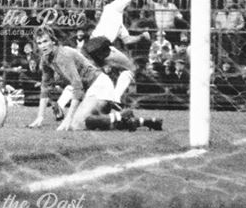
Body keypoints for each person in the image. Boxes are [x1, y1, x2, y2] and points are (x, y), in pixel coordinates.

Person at [28, 27, 161, 131]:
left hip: (99, 86)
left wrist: (68, 119)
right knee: (89, 121)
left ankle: (121, 115)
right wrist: (40, 117)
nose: (43, 45)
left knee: (75, 124)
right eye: (39, 43)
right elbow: (45, 87)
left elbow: (77, 87)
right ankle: (136, 120)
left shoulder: (63, 54)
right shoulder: (45, 59)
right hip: (90, 90)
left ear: (53, 41)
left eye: (45, 41)